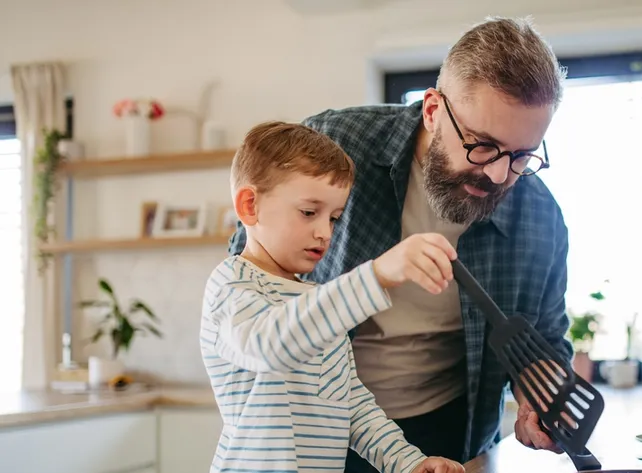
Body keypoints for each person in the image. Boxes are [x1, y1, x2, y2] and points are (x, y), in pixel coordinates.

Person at [228, 16, 573, 472]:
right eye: (483, 146)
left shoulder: (539, 216)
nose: (498, 175)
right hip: (313, 429)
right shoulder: (334, 148)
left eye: (522, 154)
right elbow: (247, 282)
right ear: (433, 110)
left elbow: (542, 343)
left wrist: (539, 399)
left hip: (450, 436)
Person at [200, 121, 465, 473]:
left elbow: (350, 403)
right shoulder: (231, 285)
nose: (324, 232)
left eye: (335, 218)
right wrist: (377, 275)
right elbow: (269, 345)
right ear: (250, 206)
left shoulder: (316, 300)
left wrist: (408, 462)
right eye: (309, 212)